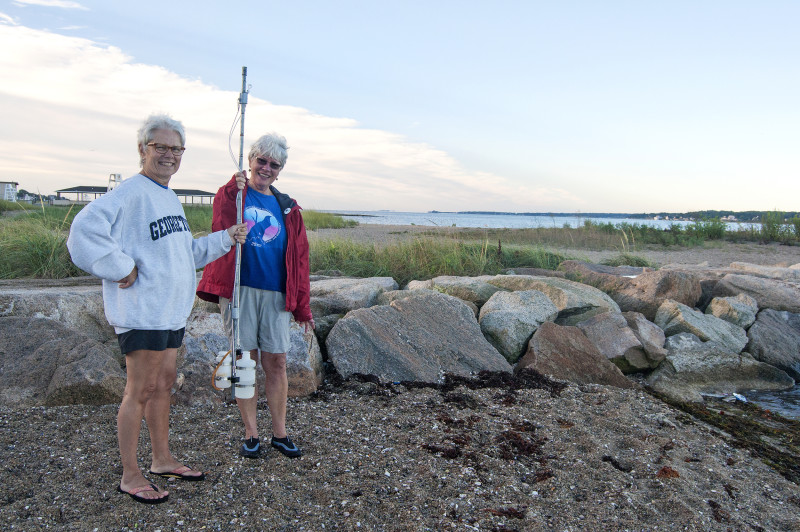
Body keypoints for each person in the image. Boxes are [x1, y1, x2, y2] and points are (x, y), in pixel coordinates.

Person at [67, 114, 247, 504]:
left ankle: (162, 459)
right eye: (160, 147)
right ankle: (131, 475)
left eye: (176, 148)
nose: (169, 155)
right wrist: (120, 266)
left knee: (164, 386)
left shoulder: (168, 197)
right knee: (141, 389)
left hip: (170, 313)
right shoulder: (129, 193)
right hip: (142, 311)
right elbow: (83, 232)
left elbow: (185, 254)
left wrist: (227, 238)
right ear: (142, 149)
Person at [197, 132, 314, 460]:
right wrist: (231, 188)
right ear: (250, 162)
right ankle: (251, 433)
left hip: (275, 294)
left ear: (280, 170)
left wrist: (302, 308)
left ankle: (280, 433)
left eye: (273, 164)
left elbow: (300, 260)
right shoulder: (232, 195)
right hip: (238, 290)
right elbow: (219, 224)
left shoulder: (288, 208)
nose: (266, 168)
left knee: (276, 361)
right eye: (261, 161)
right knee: (243, 361)